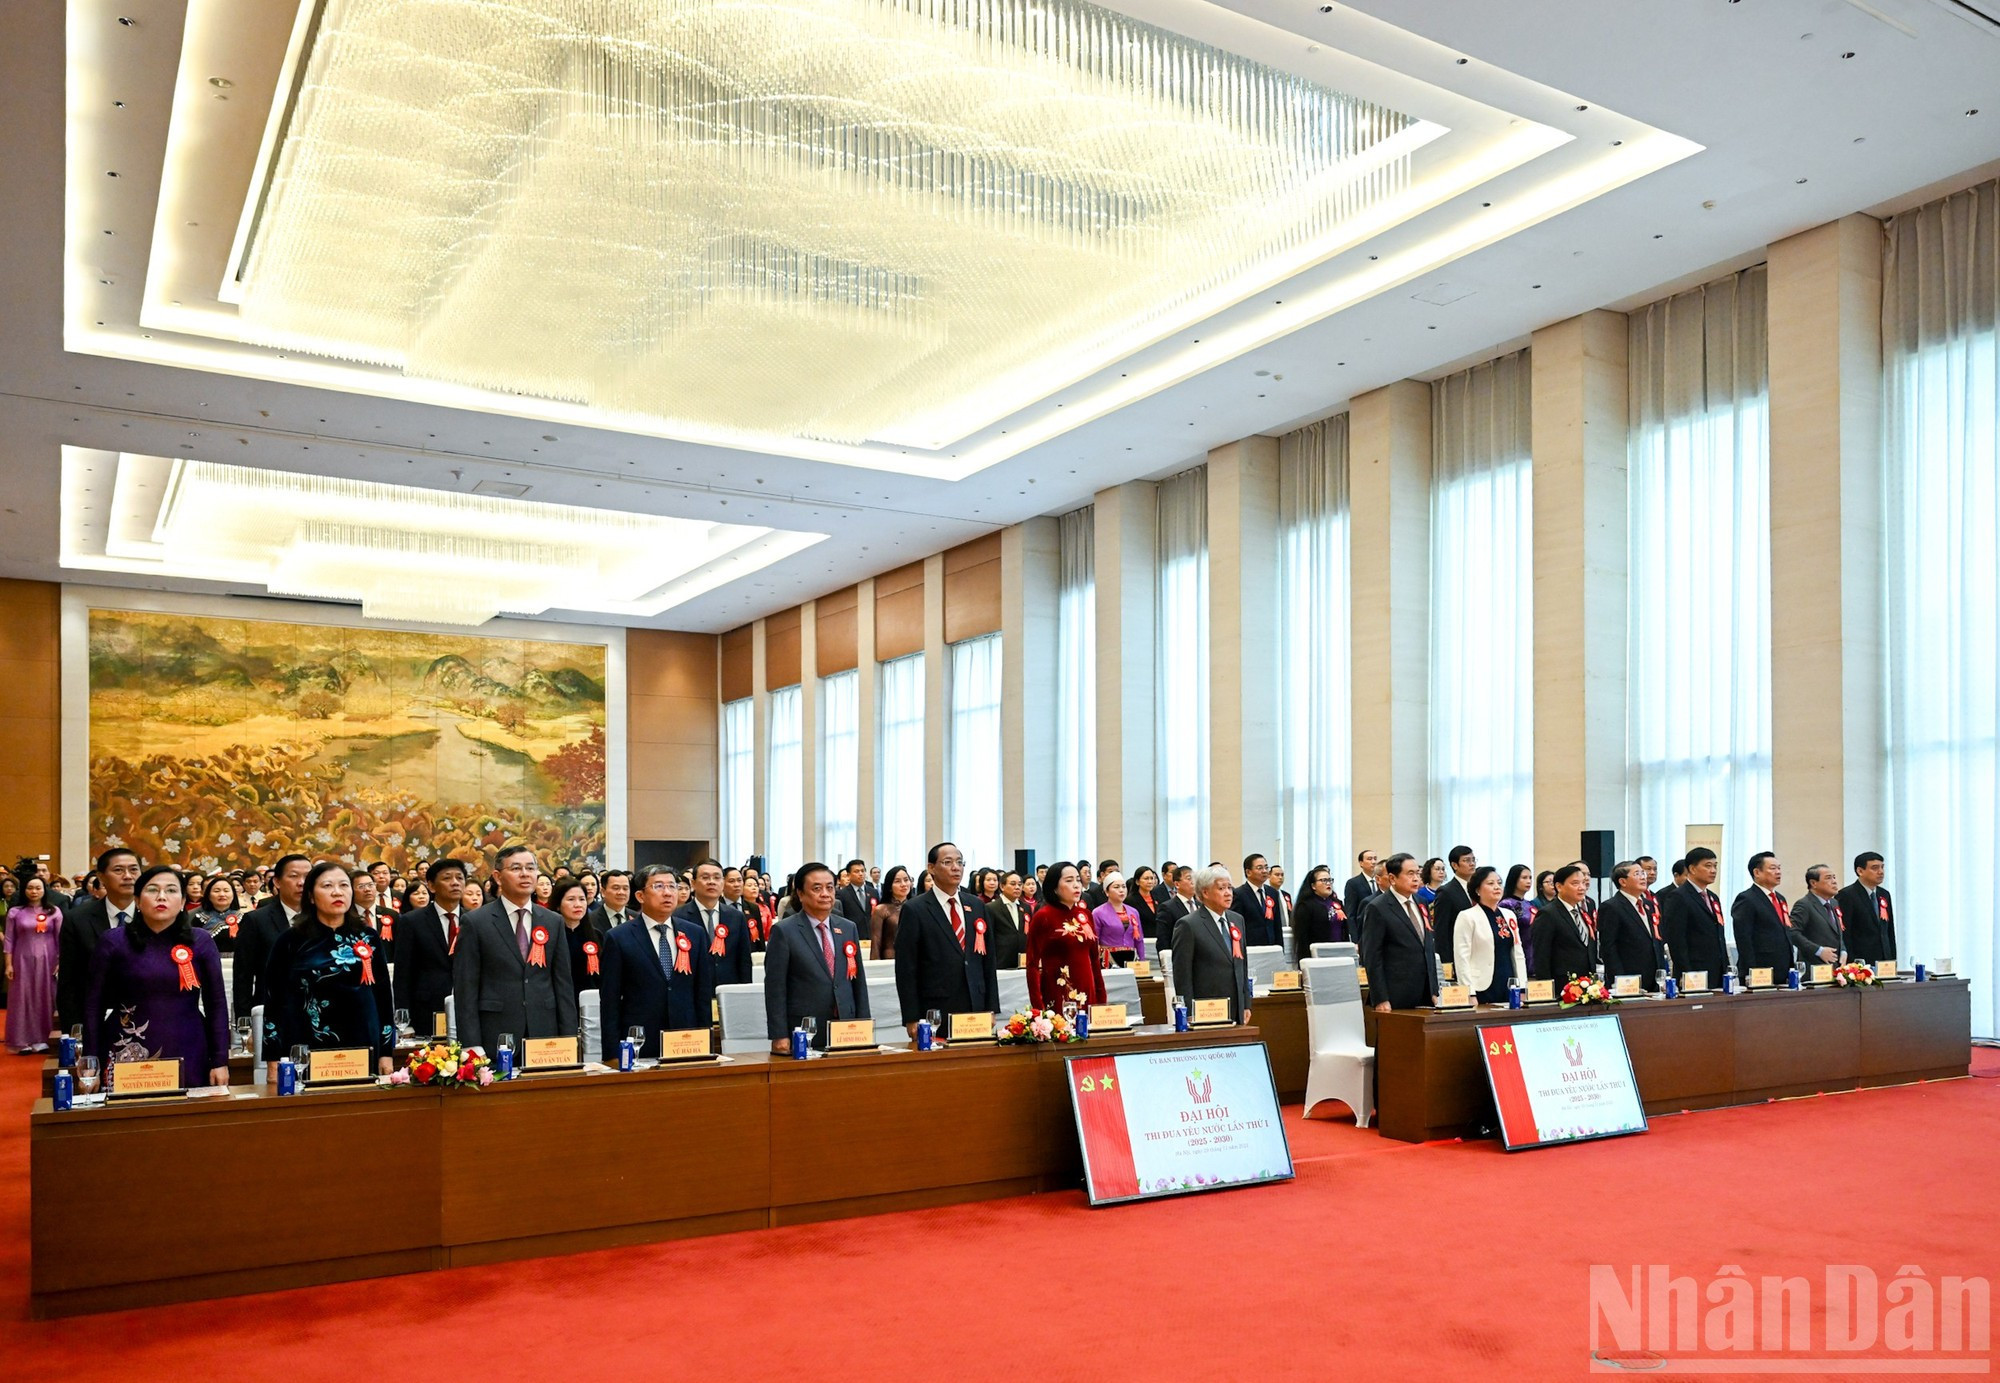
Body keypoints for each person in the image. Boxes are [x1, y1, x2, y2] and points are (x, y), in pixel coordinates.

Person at [83, 865, 229, 1088]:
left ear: (182, 902)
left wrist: (220, 1060)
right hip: (128, 1046)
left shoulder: (200, 941)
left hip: (188, 1044)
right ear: (138, 901)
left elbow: (216, 1003)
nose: (162, 897)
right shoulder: (114, 941)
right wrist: (90, 1058)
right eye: (152, 890)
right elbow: (93, 1004)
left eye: (171, 890)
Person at [260, 863, 396, 1075]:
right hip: (306, 1041)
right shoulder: (290, 940)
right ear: (311, 897)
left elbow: (383, 996)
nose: (337, 892)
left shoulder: (368, 937)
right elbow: (273, 1000)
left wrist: (386, 1051)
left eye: (344, 885)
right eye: (327, 886)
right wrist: (273, 1057)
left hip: (362, 1039)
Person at [452, 844, 576, 1054]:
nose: (525, 874)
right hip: (495, 1031)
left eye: (531, 868)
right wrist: (472, 1044)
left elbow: (563, 984)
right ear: (498, 877)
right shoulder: (475, 922)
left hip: (545, 1033)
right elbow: (466, 988)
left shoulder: (552, 921)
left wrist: (569, 1038)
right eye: (516, 868)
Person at [600, 864, 713, 1061]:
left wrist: (706, 1040)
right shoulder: (618, 937)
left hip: (686, 1039)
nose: (668, 893)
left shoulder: (695, 934)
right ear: (640, 896)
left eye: (672, 886)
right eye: (658, 887)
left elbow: (702, 994)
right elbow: (610, 1002)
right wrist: (611, 1053)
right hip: (640, 1040)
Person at [893, 842, 998, 1033]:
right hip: (935, 1010)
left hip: (976, 1005)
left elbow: (988, 961)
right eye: (948, 862)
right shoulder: (915, 909)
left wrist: (991, 1007)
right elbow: (906, 968)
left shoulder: (976, 906)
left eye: (959, 862)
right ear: (931, 868)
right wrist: (911, 1017)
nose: (956, 867)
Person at [764, 862, 868, 1052]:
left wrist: (864, 1024)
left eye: (830, 887)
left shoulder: (847, 928)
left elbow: (858, 982)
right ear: (801, 894)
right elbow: (775, 988)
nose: (825, 894)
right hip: (805, 1028)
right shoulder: (784, 931)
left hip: (846, 1026)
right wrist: (779, 1034)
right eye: (817, 888)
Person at [57, 847, 140, 1036]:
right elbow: (68, 982)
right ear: (101, 877)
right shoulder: (77, 919)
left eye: (134, 870)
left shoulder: (157, 915)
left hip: (147, 1016)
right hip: (95, 1017)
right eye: (119, 870)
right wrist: (73, 1031)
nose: (128, 876)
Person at [1171, 865, 1252, 1024]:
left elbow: (1242, 965)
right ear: (1205, 893)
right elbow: (1182, 974)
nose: (1228, 893)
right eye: (1221, 888)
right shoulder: (1188, 925)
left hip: (1236, 1007)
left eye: (1230, 887)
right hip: (1207, 1008)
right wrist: (1188, 1011)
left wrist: (1246, 1003)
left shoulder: (1237, 920)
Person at [234, 853, 309, 1023]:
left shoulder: (323, 917)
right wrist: (245, 1023)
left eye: (308, 877)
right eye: (294, 876)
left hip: (317, 1012)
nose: (302, 882)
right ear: (277, 882)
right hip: (272, 1012)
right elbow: (243, 977)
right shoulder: (256, 920)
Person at [1025, 862, 1106, 1014]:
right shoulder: (1043, 916)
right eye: (1069, 881)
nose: (1076, 885)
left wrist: (1101, 998)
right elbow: (1032, 964)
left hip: (1087, 989)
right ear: (1054, 887)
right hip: (1058, 990)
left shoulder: (1086, 915)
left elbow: (1095, 960)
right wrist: (1038, 1007)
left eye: (1077, 880)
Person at [1359, 853, 1437, 1012]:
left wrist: (1434, 989)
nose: (1416, 878)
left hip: (1426, 993)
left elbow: (1427, 947)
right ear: (1393, 879)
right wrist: (1381, 998)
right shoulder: (1377, 907)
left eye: (1417, 873)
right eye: (1410, 874)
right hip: (1396, 994)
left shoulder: (1421, 902)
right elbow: (1372, 956)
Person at [1452, 866, 1525, 1005]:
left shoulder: (1509, 915)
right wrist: (1469, 992)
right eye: (1490, 884)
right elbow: (1462, 958)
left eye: (1499, 883)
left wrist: (1522, 987)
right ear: (1478, 890)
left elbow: (1518, 952)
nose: (1497, 887)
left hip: (1509, 981)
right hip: (1481, 985)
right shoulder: (1467, 916)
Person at [6, 873, 62, 1052]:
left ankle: (43, 1038)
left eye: (38, 888)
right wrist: (8, 964)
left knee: (45, 997)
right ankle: (21, 1040)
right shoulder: (15, 912)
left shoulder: (54, 912)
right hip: (22, 959)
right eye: (30, 888)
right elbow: (9, 940)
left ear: (44, 890)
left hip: (49, 959)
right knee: (22, 998)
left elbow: (61, 938)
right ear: (24, 890)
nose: (34, 891)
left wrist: (61, 961)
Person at [1661, 847, 1730, 988]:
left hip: (1717, 971)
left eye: (1715, 866)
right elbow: (1676, 940)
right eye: (1708, 866)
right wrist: (1687, 973)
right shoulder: (1678, 896)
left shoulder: (1713, 897)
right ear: (1692, 869)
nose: (1713, 870)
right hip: (1694, 972)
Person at [676, 858, 751, 986]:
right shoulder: (678, 917)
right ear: (693, 884)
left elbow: (744, 960)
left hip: (728, 988)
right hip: (693, 988)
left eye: (717, 878)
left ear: (722, 883)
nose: (711, 882)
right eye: (705, 877)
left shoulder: (736, 917)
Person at [1530, 863, 1600, 987]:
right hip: (1562, 984)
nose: (1582, 887)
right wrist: (1546, 987)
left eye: (1583, 883)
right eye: (1575, 883)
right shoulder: (1548, 913)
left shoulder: (1584, 911)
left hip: (1587, 982)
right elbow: (1541, 955)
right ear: (1559, 886)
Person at [1731, 851, 1797, 983]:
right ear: (1757, 872)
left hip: (1783, 968)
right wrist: (1752, 971)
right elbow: (1743, 938)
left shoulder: (1780, 898)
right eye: (1773, 868)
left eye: (1779, 868)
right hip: (1760, 970)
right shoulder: (1746, 899)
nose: (1778, 872)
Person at [1598, 861, 1665, 989]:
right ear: (1623, 882)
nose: (1643, 877)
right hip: (1628, 977)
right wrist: (1619, 979)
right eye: (1637, 874)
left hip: (1654, 975)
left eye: (1642, 873)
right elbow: (1608, 947)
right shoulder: (1611, 907)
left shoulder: (1649, 905)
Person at [1837, 852, 1897, 964]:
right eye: (1875, 868)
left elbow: (1889, 930)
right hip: (1860, 962)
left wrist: (1892, 959)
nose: (1881, 872)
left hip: (1884, 961)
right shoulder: (1847, 895)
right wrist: (1851, 964)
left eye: (1882, 867)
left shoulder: (1884, 894)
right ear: (1860, 871)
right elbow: (1845, 933)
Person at [548, 879, 601, 1004]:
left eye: (582, 899)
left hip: (589, 1002)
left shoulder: (596, 935)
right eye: (571, 899)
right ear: (558, 904)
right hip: (557, 1001)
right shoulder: (548, 935)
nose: (578, 904)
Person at [1430, 846, 1477, 972]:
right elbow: (1441, 931)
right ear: (1455, 865)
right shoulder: (1446, 892)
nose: (1472, 863)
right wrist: (1447, 963)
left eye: (1473, 860)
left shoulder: (1478, 889)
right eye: (1467, 860)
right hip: (1457, 954)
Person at [1791, 865, 1845, 967]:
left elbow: (1838, 933)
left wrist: (1843, 950)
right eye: (1828, 878)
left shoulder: (1834, 903)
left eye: (1834, 877)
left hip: (1835, 966)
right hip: (1814, 967)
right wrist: (1819, 951)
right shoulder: (1804, 904)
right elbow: (1793, 933)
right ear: (1813, 883)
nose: (1834, 881)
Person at [1091, 872, 1145, 963]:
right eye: (1116, 887)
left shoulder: (1133, 912)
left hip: (1131, 958)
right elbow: (1094, 941)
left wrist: (1142, 960)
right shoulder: (1098, 913)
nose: (1121, 890)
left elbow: (1139, 940)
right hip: (1108, 959)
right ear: (1107, 892)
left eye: (1123, 887)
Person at [1232, 854, 1282, 949]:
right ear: (1248, 872)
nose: (1264, 871)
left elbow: (1277, 924)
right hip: (1250, 948)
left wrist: (1280, 948)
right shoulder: (1239, 894)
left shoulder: (1272, 893)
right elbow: (1237, 925)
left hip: (1272, 947)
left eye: (1266, 867)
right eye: (1259, 868)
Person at [1292, 865, 1346, 951]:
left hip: (1339, 950)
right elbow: (1303, 938)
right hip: (1318, 953)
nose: (1328, 883)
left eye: (1330, 880)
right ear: (1313, 886)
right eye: (1324, 880)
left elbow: (1345, 929)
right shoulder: (1305, 906)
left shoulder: (1337, 903)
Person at [986, 870, 1027, 970]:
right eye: (1013, 884)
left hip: (1022, 961)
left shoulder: (1026, 907)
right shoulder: (991, 907)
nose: (1017, 887)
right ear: (1002, 886)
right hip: (1001, 960)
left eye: (1020, 884)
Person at [869, 865, 911, 960]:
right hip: (890, 961)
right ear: (890, 886)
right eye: (897, 881)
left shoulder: (916, 907)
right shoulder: (881, 910)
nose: (903, 884)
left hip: (915, 961)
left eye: (906, 880)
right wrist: (875, 969)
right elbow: (876, 943)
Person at [1156, 864, 1197, 953]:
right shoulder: (1167, 907)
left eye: (1195, 878)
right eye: (1189, 878)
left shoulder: (1201, 905)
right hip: (1180, 957)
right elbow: (1163, 940)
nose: (1193, 882)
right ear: (1177, 884)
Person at [194, 876, 241, 950]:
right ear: (208, 895)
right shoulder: (199, 919)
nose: (222, 894)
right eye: (216, 891)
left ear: (233, 894)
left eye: (226, 891)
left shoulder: (243, 918)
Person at [1342, 849, 1381, 920]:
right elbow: (1350, 912)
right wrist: (1353, 930)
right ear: (1361, 863)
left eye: (1375, 859)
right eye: (1369, 859)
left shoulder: (1381, 881)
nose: (1373, 862)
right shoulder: (1353, 883)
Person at [1128, 866, 1160, 947]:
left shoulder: (1158, 897)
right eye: (1146, 879)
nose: (1150, 881)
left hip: (1157, 940)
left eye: (1152, 878)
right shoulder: (1130, 900)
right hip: (1141, 941)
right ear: (1137, 882)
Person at [836, 860, 873, 929]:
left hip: (871, 933)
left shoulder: (873, 892)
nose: (861, 874)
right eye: (857, 871)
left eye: (863, 871)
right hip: (852, 933)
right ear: (849, 875)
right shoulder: (842, 894)